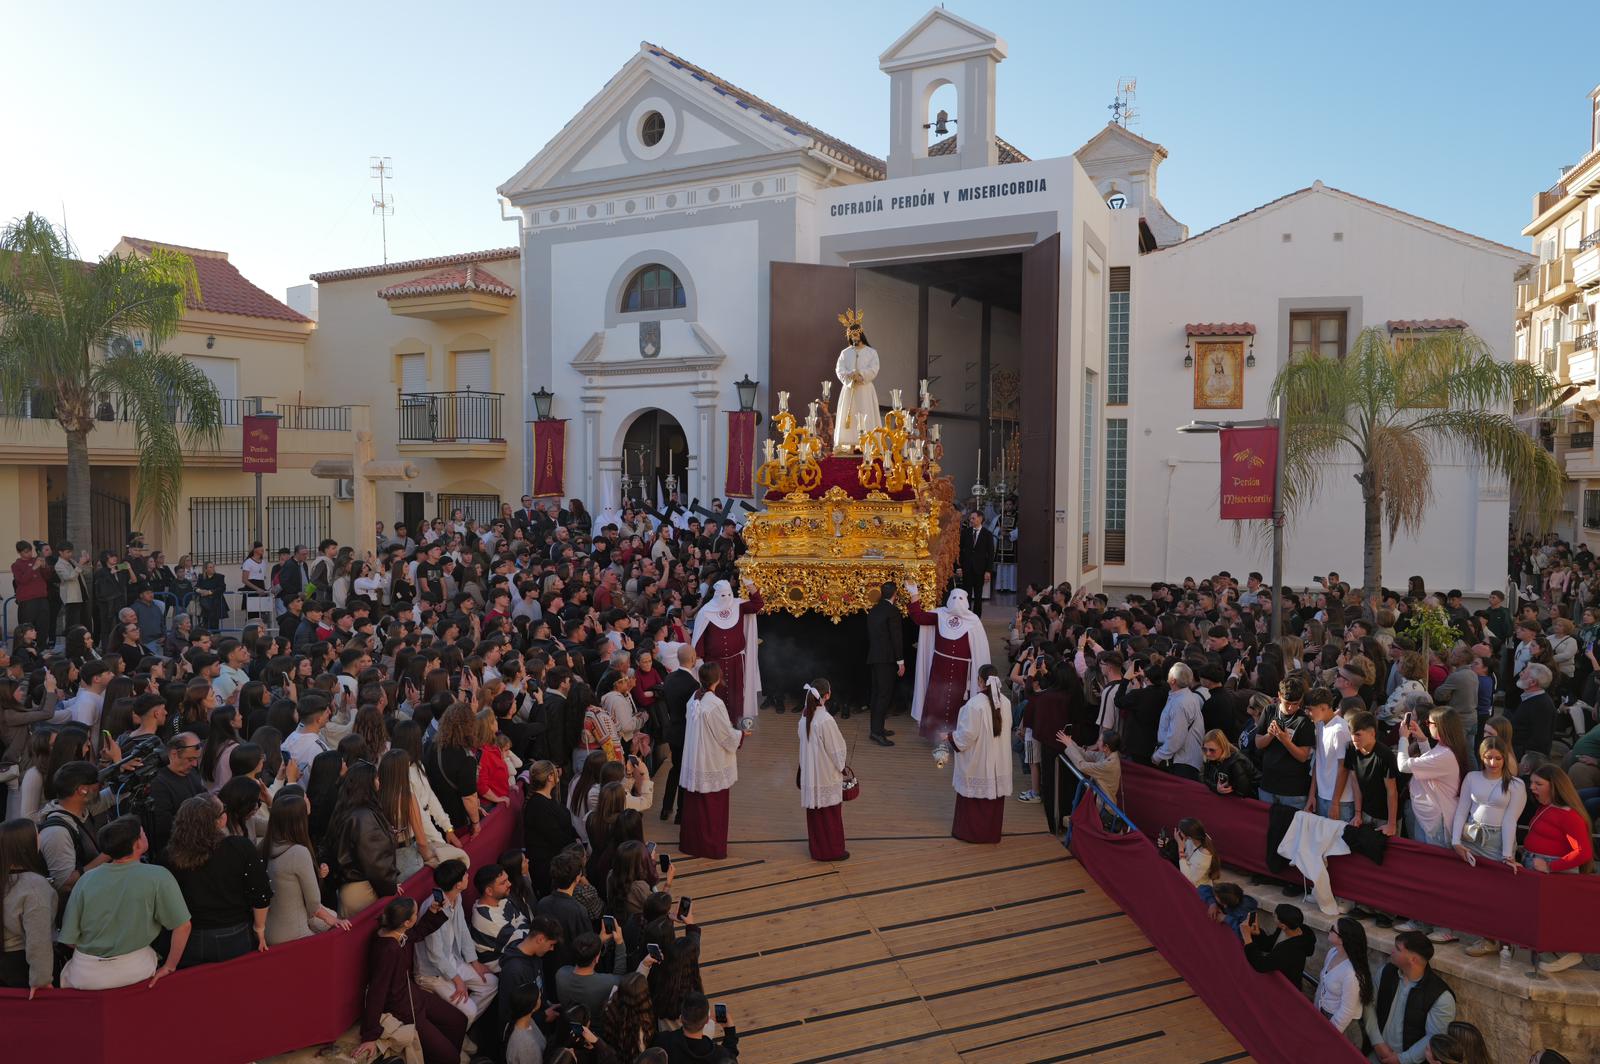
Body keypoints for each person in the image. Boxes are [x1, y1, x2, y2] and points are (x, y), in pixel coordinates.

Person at [59, 815, 192, 990]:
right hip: (135, 970)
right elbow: (183, 926)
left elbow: (69, 939)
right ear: (137, 844)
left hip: (85, 974)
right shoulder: (158, 876)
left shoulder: (86, 880)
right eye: (142, 833)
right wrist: (169, 967)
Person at [354, 895, 468, 1064]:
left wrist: (432, 912)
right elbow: (376, 992)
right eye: (416, 914)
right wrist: (369, 1036)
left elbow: (416, 933)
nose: (417, 915)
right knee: (450, 1058)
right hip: (403, 1008)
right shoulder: (388, 950)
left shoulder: (395, 932)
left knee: (458, 1020)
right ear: (406, 923)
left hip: (414, 995)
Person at [165, 793, 273, 967]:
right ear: (219, 821)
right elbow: (260, 892)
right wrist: (259, 929)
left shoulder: (170, 855)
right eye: (223, 810)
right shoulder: (240, 847)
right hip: (234, 934)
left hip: (190, 937)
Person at [1451, 737, 1526, 953]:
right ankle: (1476, 934)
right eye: (1488, 757)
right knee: (1470, 890)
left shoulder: (1515, 784)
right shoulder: (1472, 777)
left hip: (1497, 840)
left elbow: (1511, 819)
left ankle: (1492, 939)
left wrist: (1507, 855)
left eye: (1498, 758)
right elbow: (1462, 809)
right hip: (1471, 835)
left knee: (1493, 893)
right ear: (1481, 757)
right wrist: (1456, 841)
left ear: (1505, 758)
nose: (1493, 763)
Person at [1518, 763, 1593, 973]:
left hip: (1555, 874)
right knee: (1542, 916)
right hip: (1537, 867)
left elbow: (1584, 852)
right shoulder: (1546, 807)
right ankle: (1543, 954)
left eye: (1538, 784)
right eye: (1531, 782)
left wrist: (1551, 867)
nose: (1532, 787)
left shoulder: (1569, 815)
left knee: (1558, 916)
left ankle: (1568, 954)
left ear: (1554, 786)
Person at [416, 859, 499, 1023]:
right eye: (464, 875)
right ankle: (458, 1031)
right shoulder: (432, 910)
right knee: (469, 1012)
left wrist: (474, 962)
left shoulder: (457, 897)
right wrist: (458, 980)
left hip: (454, 960)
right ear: (458, 884)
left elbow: (462, 930)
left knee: (491, 983)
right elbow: (435, 955)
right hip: (433, 973)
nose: (468, 876)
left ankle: (457, 1027)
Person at [261, 790, 348, 945]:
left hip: (269, 929)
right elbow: (314, 904)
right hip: (294, 934)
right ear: (299, 820)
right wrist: (334, 919)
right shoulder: (298, 852)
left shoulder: (265, 845)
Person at [907, 586, 990, 740]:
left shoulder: (973, 621)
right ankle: (934, 733)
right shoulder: (940, 615)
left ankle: (957, 737)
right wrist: (914, 594)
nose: (956, 602)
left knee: (959, 702)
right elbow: (918, 617)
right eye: (953, 598)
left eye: (960, 599)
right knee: (937, 698)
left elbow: (979, 648)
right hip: (940, 667)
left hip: (962, 670)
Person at [1363, 931, 1457, 1064]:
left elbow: (1434, 1038)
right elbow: (1368, 1004)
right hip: (1377, 1053)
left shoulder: (1441, 997)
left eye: (1397, 949)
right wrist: (1378, 1043)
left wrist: (1401, 1059)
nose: (1392, 951)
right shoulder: (1386, 972)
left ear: (1413, 959)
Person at [679, 662, 741, 860]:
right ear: (717, 679)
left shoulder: (693, 699)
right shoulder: (714, 704)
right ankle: (711, 847)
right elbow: (725, 736)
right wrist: (741, 734)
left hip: (694, 759)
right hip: (710, 760)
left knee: (695, 807)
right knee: (712, 809)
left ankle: (691, 844)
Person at [323, 760, 400, 917]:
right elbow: (376, 863)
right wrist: (390, 887)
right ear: (367, 784)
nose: (379, 782)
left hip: (351, 889)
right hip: (364, 891)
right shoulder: (364, 816)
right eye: (376, 778)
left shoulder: (346, 810)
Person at [950, 665, 1012, 844]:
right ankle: (991, 834)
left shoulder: (974, 704)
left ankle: (971, 834)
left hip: (980, 760)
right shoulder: (1006, 703)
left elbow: (966, 737)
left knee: (974, 798)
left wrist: (949, 736)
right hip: (999, 760)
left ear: (981, 681)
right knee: (993, 799)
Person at [689, 579, 763, 729]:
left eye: (728, 594)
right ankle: (719, 729)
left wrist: (751, 586)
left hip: (737, 662)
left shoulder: (738, 605)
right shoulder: (706, 612)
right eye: (723, 595)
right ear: (716, 594)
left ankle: (738, 729)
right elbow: (699, 640)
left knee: (738, 697)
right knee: (717, 697)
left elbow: (757, 605)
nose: (726, 598)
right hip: (715, 664)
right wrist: (700, 664)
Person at [0, 817, 56, 994]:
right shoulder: (34, 885)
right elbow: (38, 939)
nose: (40, 836)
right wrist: (41, 979)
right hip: (20, 968)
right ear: (25, 844)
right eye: (37, 833)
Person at [796, 679, 848, 861]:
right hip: (825, 774)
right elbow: (837, 750)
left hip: (810, 773)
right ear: (827, 696)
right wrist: (842, 767)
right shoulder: (825, 720)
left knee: (816, 816)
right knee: (830, 816)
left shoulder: (804, 718)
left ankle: (817, 850)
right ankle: (833, 851)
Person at [1255, 676, 1314, 808]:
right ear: (1279, 695)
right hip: (1268, 786)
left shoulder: (1304, 721)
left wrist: (1285, 741)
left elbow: (1303, 756)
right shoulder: (1269, 710)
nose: (1291, 708)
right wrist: (1270, 735)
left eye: (1296, 704)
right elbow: (1258, 743)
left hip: (1292, 792)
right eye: (1287, 703)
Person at [147, 732, 208, 858]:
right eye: (190, 759)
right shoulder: (158, 783)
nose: (195, 764)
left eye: (196, 759)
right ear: (174, 754)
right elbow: (163, 825)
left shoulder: (191, 773)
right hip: (176, 853)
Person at [1315, 916, 1373, 1046]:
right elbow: (1323, 985)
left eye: (1332, 929)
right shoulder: (1332, 952)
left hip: (1342, 1027)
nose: (1328, 930)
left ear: (1342, 939)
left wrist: (1330, 1033)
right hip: (1325, 1016)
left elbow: (1347, 1010)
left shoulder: (1352, 973)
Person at [555, 928, 637, 1017]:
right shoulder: (608, 983)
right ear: (597, 959)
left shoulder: (561, 974)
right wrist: (620, 943)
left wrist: (597, 943)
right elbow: (619, 977)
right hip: (596, 1028)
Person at [659, 645, 699, 822]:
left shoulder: (669, 677)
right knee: (685, 771)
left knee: (675, 769)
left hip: (673, 730)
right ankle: (681, 813)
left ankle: (666, 808)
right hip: (686, 733)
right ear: (693, 659)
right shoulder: (693, 685)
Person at [1345, 711, 1401, 837]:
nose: (1354, 738)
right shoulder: (1351, 749)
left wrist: (1391, 824)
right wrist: (1358, 813)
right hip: (1365, 812)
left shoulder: (1385, 755)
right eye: (1352, 734)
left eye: (1358, 735)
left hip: (1386, 817)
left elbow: (1392, 792)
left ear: (1372, 733)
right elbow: (1355, 783)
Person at [831, 310, 881, 451]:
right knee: (850, 416)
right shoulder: (845, 353)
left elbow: (874, 368)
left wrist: (862, 375)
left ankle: (867, 444)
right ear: (849, 336)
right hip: (850, 389)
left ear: (861, 334)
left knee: (865, 412)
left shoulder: (871, 352)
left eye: (856, 334)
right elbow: (839, 370)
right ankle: (851, 444)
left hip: (865, 389)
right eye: (851, 335)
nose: (854, 337)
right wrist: (849, 376)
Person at [863, 581, 904, 745]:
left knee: (877, 694)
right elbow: (896, 638)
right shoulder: (892, 612)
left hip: (875, 656)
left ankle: (877, 728)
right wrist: (900, 661)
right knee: (883, 695)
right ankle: (876, 732)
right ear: (895, 595)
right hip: (886, 659)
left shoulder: (873, 609)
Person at [1306, 687, 1354, 821]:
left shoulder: (1339, 730)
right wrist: (1312, 795)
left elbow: (1344, 768)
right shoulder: (1319, 725)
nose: (1308, 713)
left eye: (1310, 709)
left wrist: (1335, 802)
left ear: (1323, 708)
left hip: (1341, 802)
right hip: (1322, 796)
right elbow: (1318, 761)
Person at [1240, 903, 1316, 987]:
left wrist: (1247, 938)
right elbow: (1269, 945)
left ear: (1283, 925)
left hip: (1286, 986)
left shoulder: (1289, 949)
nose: (1273, 915)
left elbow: (1261, 965)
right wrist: (1258, 934)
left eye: (1275, 916)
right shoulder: (1293, 928)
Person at [651, 992, 740, 1063]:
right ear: (707, 1021)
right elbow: (730, 1058)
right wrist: (730, 1031)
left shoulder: (662, 1041)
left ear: (681, 1018)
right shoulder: (719, 1055)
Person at [1152, 662, 1205, 780]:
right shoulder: (1186, 697)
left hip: (1182, 763)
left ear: (1173, 680)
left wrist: (1158, 756)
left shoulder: (1180, 703)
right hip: (1185, 760)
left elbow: (1176, 737)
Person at [956, 510, 995, 618]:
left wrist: (988, 571)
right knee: (965, 595)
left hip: (980, 570)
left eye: (973, 518)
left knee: (978, 596)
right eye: (970, 518)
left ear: (980, 519)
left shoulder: (987, 534)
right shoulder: (965, 532)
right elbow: (959, 551)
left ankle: (977, 618)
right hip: (967, 568)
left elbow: (991, 554)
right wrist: (959, 567)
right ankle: (966, 615)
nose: (971, 520)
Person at [1200, 729, 1258, 799]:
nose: (1208, 753)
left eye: (1212, 750)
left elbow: (1243, 791)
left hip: (1253, 800)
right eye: (1205, 749)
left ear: (1222, 747)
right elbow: (1205, 778)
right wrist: (1216, 788)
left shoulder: (1236, 762)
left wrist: (1224, 789)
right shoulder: (1210, 759)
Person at [1174, 817, 1220, 887]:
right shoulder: (1194, 838)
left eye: (1180, 831)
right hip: (1188, 875)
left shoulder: (1204, 854)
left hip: (1197, 888)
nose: (1178, 832)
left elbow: (1189, 880)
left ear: (1189, 836)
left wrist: (1180, 849)